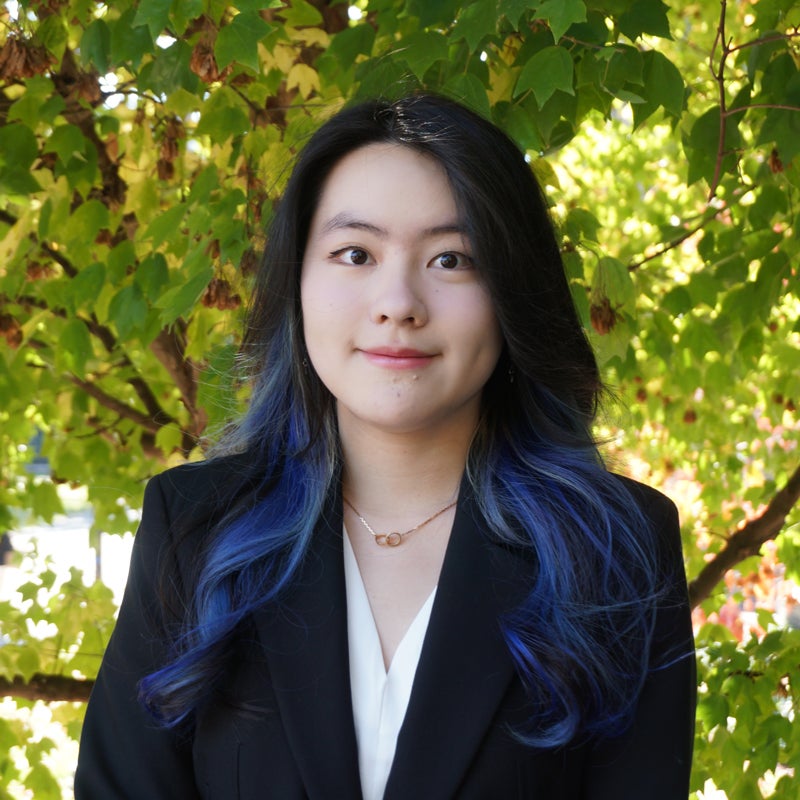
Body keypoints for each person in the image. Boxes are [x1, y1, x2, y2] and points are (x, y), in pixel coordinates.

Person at [75, 94, 695, 799]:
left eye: (452, 258)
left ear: (510, 290)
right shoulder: (195, 529)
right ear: (298, 284)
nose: (398, 301)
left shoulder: (615, 545)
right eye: (354, 253)